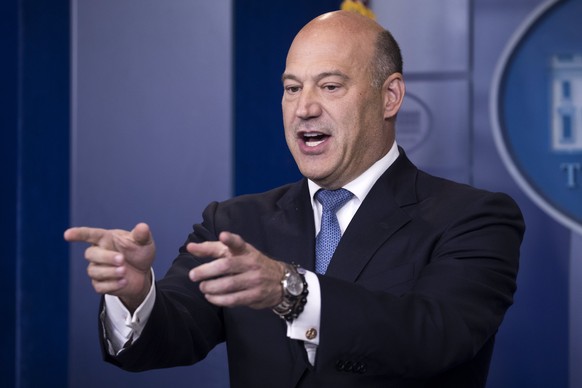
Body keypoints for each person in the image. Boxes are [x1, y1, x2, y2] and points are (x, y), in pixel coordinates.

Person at [64, 10, 525, 387]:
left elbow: (434, 337)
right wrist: (135, 294)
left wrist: (292, 292)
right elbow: (174, 335)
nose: (304, 107)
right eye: (291, 88)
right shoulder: (234, 223)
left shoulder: (474, 217)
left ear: (390, 97)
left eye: (329, 86)